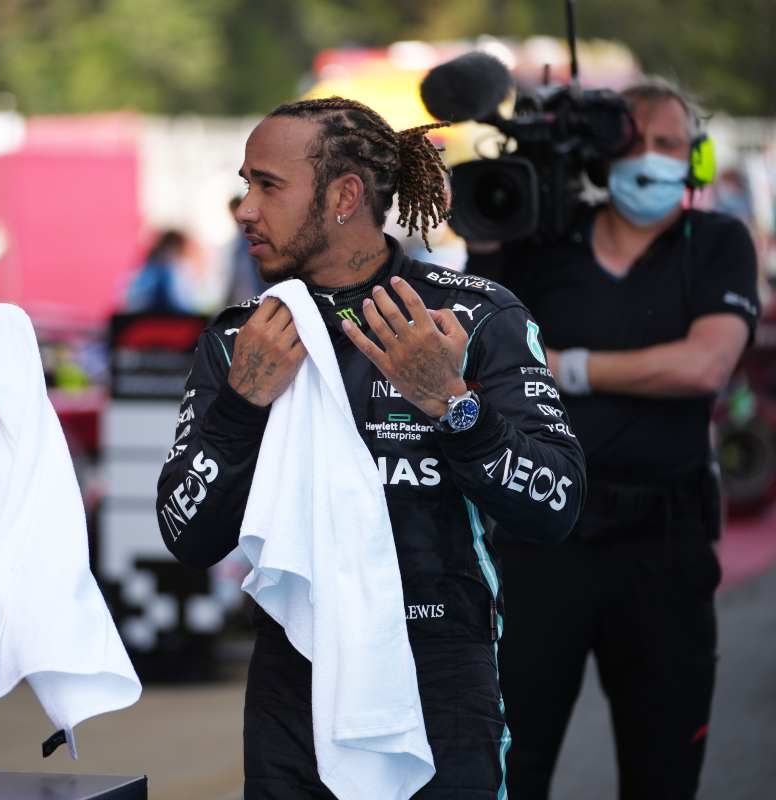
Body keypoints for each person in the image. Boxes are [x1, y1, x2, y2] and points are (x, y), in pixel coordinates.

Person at [156, 97, 586, 798]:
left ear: (345, 194)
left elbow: (556, 504)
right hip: (292, 669)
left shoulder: (474, 315)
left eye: (267, 185)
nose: (244, 209)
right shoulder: (244, 338)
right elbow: (188, 536)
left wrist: (454, 406)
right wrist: (240, 410)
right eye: (246, 184)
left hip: (439, 667)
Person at [464, 78, 760, 799]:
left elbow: (706, 365)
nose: (651, 159)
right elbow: (479, 351)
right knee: (510, 765)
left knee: (663, 770)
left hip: (664, 545)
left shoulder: (717, 241)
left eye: (669, 143)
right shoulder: (542, 244)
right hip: (540, 546)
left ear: (695, 157)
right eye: (633, 143)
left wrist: (572, 367)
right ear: (600, 156)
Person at [122, 229, 198, 313]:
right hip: (164, 320)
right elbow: (178, 304)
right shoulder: (167, 271)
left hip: (142, 319)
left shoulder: (144, 270)